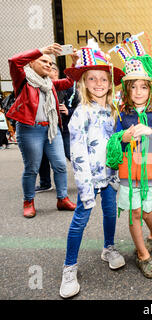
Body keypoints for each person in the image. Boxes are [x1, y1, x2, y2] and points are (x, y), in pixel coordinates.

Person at [59, 41, 126, 298]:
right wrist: (86, 188)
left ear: (110, 83)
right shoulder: (80, 113)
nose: (99, 83)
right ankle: (69, 268)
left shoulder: (112, 110)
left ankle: (108, 248)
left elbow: (114, 143)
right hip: (90, 179)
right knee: (80, 221)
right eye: (92, 78)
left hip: (109, 176)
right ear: (84, 82)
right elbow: (77, 154)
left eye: (103, 79)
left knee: (110, 213)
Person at [107, 37, 152, 279]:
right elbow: (114, 143)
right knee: (135, 213)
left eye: (143, 86)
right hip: (128, 174)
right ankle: (143, 255)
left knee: (147, 212)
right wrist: (122, 138)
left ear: (151, 88)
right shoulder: (122, 114)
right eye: (133, 86)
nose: (138, 92)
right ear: (127, 89)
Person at [6, 43, 77, 218]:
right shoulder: (22, 79)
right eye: (44, 61)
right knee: (32, 168)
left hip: (52, 130)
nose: (49, 65)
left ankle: (62, 199)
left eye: (51, 63)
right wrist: (42, 50)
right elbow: (13, 61)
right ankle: (28, 201)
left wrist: (74, 63)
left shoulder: (50, 83)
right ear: (31, 63)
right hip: (30, 130)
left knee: (60, 165)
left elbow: (69, 81)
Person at [35, 62, 80, 193]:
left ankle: (89, 178)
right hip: (45, 128)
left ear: (57, 73)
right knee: (42, 156)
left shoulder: (69, 89)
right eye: (47, 69)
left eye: (54, 69)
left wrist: (69, 111)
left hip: (64, 128)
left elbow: (81, 107)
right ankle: (45, 183)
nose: (51, 72)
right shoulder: (40, 87)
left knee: (71, 153)